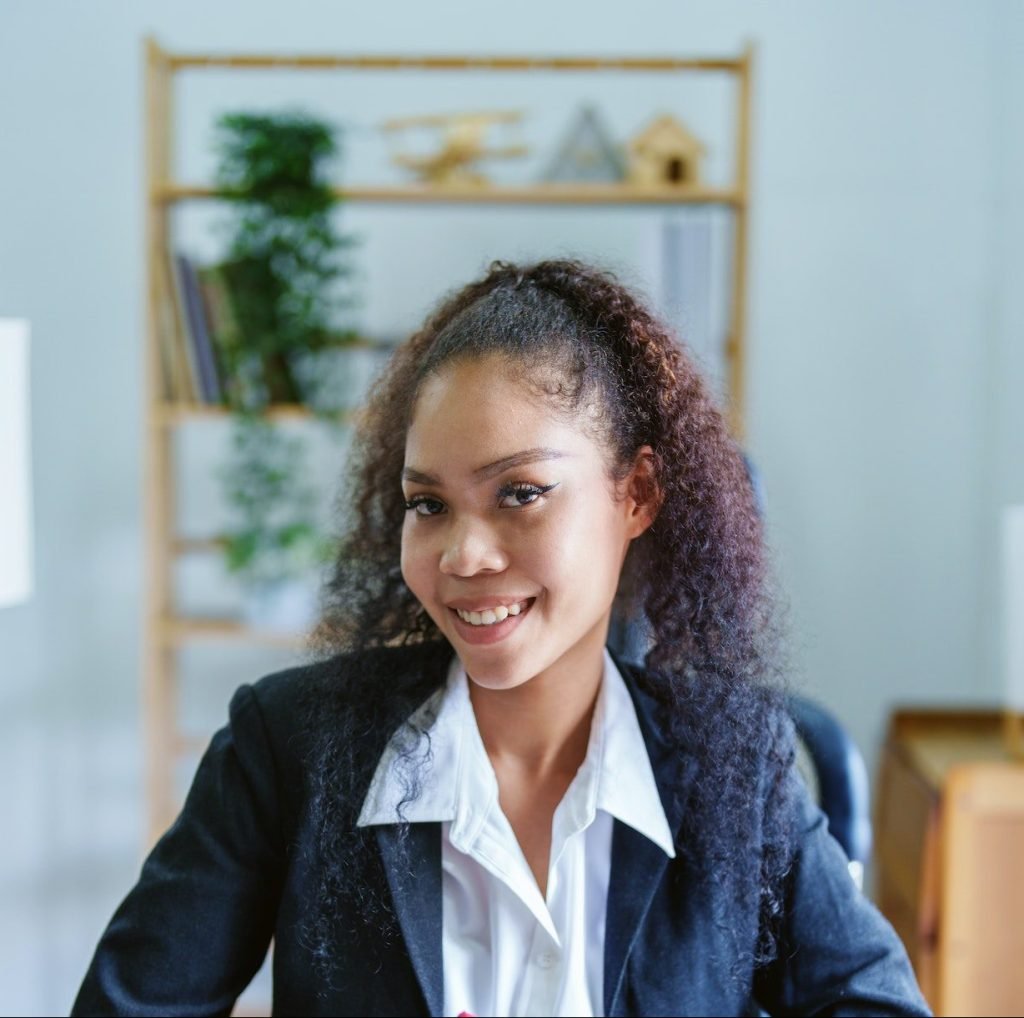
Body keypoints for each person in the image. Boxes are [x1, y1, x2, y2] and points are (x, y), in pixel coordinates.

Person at [72, 259, 930, 1017]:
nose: (463, 555)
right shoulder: (288, 748)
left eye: (520, 492)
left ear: (635, 495)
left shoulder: (734, 766)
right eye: (428, 505)